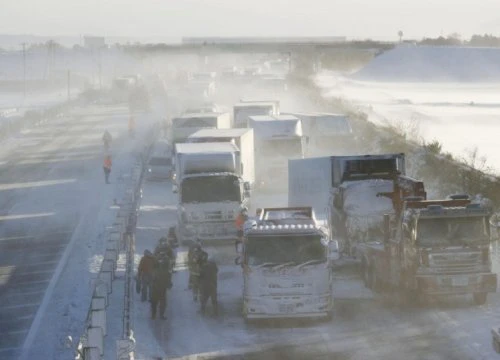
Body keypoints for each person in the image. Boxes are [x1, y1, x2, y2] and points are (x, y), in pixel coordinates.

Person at [150, 253, 173, 320]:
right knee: (162, 302)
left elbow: (153, 277)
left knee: (154, 302)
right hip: (162, 288)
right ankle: (160, 315)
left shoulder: (156, 268)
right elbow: (168, 279)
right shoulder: (166, 271)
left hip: (156, 287)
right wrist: (169, 285)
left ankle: (153, 315)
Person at [199, 251, 218, 316]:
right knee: (214, 300)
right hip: (213, 285)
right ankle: (215, 312)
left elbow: (200, 274)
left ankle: (202, 310)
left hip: (205, 285)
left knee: (204, 298)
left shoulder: (204, 266)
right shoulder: (215, 267)